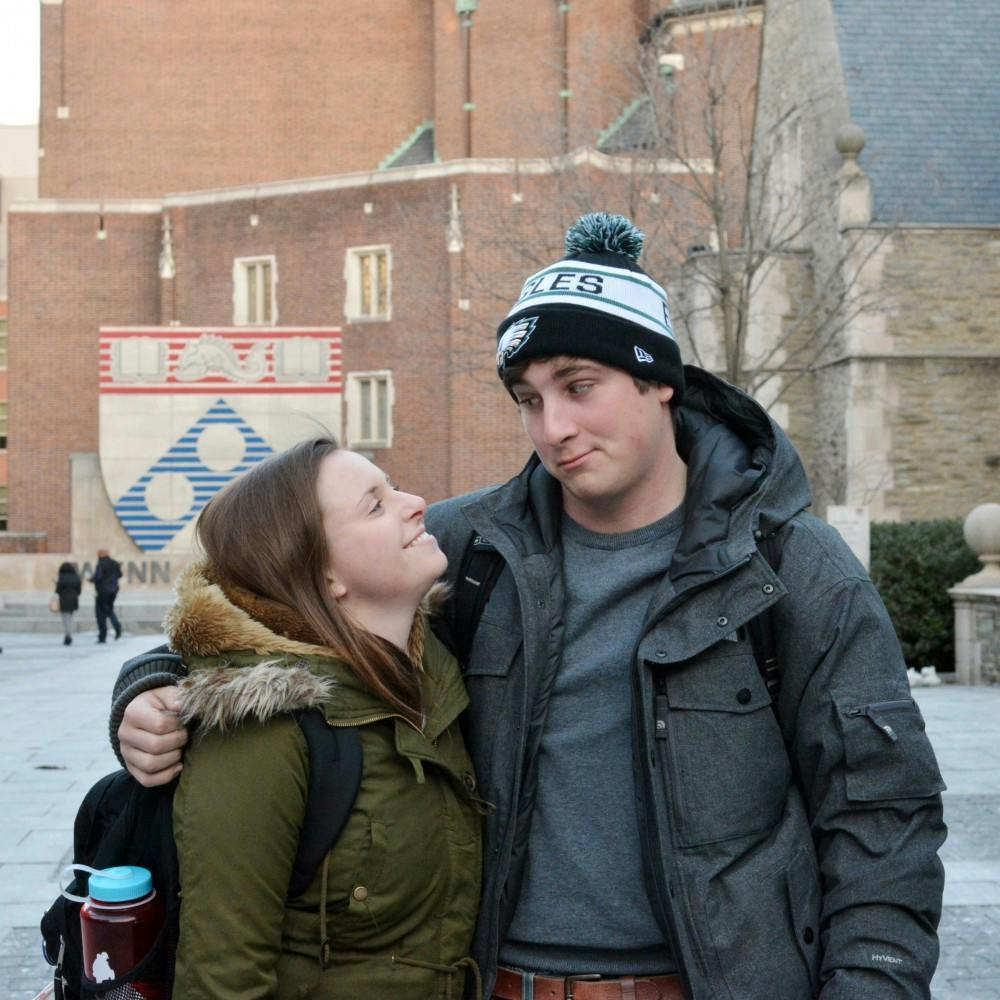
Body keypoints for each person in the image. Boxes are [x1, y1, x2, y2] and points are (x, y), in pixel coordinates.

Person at [111, 214, 946, 1000]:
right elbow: (267, 609)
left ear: (659, 381)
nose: (553, 427)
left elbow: (883, 815)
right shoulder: (465, 550)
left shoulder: (792, 567)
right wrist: (147, 683)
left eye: (580, 386)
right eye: (529, 398)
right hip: (499, 979)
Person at [150, 438, 482, 997]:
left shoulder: (441, 671)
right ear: (323, 576)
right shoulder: (266, 730)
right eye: (375, 505)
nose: (417, 502)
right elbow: (222, 978)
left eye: (393, 487)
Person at [90, 548, 123, 642]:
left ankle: (102, 636)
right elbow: (119, 575)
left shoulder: (101, 564)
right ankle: (117, 627)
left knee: (100, 613)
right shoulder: (114, 563)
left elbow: (98, 577)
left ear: (100, 555)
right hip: (114, 590)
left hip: (102, 591)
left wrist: (91, 579)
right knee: (109, 610)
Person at [54, 561, 82, 645]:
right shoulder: (76, 577)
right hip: (73, 599)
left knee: (66, 619)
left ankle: (68, 636)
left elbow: (58, 590)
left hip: (64, 599)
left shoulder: (61, 577)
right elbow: (79, 590)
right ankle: (68, 635)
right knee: (69, 617)